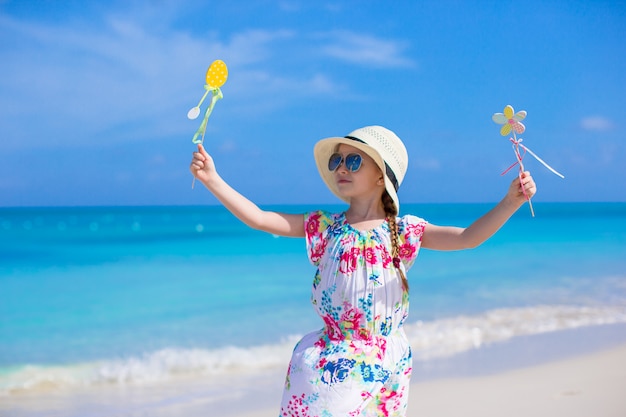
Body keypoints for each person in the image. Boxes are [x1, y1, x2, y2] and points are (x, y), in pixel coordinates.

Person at [190, 125, 536, 417]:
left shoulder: (403, 232)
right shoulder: (324, 227)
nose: (341, 167)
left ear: (379, 176)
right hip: (330, 360)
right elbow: (261, 218)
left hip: (386, 360)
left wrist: (510, 202)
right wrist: (212, 179)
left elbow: (467, 238)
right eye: (336, 160)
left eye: (353, 160)